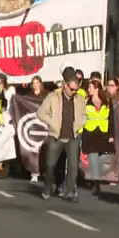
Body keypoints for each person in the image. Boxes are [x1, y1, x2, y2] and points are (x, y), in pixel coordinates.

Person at [37, 68, 86, 201]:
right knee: (50, 165)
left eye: (76, 89)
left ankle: (71, 191)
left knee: (73, 166)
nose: (74, 92)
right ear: (65, 85)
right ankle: (47, 188)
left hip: (72, 137)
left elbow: (83, 114)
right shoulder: (53, 97)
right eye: (71, 89)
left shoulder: (79, 98)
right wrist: (52, 121)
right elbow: (40, 113)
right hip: (56, 136)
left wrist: (80, 123)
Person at [82, 78, 113, 193]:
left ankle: (96, 178)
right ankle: (96, 183)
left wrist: (111, 134)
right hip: (90, 132)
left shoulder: (106, 102)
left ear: (96, 89)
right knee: (93, 157)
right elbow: (82, 116)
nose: (88, 90)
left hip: (102, 133)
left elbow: (110, 119)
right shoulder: (87, 102)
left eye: (90, 87)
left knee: (102, 158)